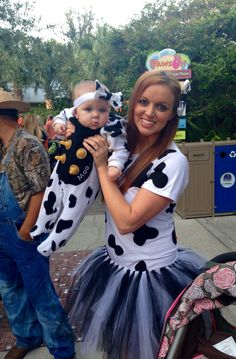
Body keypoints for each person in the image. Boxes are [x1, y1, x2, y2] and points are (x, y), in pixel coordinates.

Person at [65, 71, 206, 359]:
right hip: (114, 265)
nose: (150, 113)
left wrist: (104, 169)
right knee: (118, 347)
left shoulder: (172, 162)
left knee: (143, 350)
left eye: (161, 107)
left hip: (150, 278)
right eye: (143, 102)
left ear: (171, 115)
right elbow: (82, 132)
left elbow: (128, 221)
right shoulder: (123, 144)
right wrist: (65, 131)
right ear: (132, 102)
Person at [0, 89, 75, 359]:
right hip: (1, 233)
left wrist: (26, 232)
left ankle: (62, 348)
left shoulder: (27, 145)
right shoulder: (2, 146)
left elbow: (41, 192)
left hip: (23, 231)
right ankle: (26, 336)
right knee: (10, 289)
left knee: (39, 290)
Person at [30, 79, 129, 257]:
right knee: (50, 197)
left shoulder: (111, 127)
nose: (96, 115)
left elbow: (120, 149)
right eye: (88, 109)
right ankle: (40, 226)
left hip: (86, 176)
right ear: (77, 110)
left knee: (73, 210)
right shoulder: (71, 116)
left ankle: (54, 242)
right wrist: (59, 125)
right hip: (62, 167)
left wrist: (115, 165)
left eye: (102, 110)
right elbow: (61, 115)